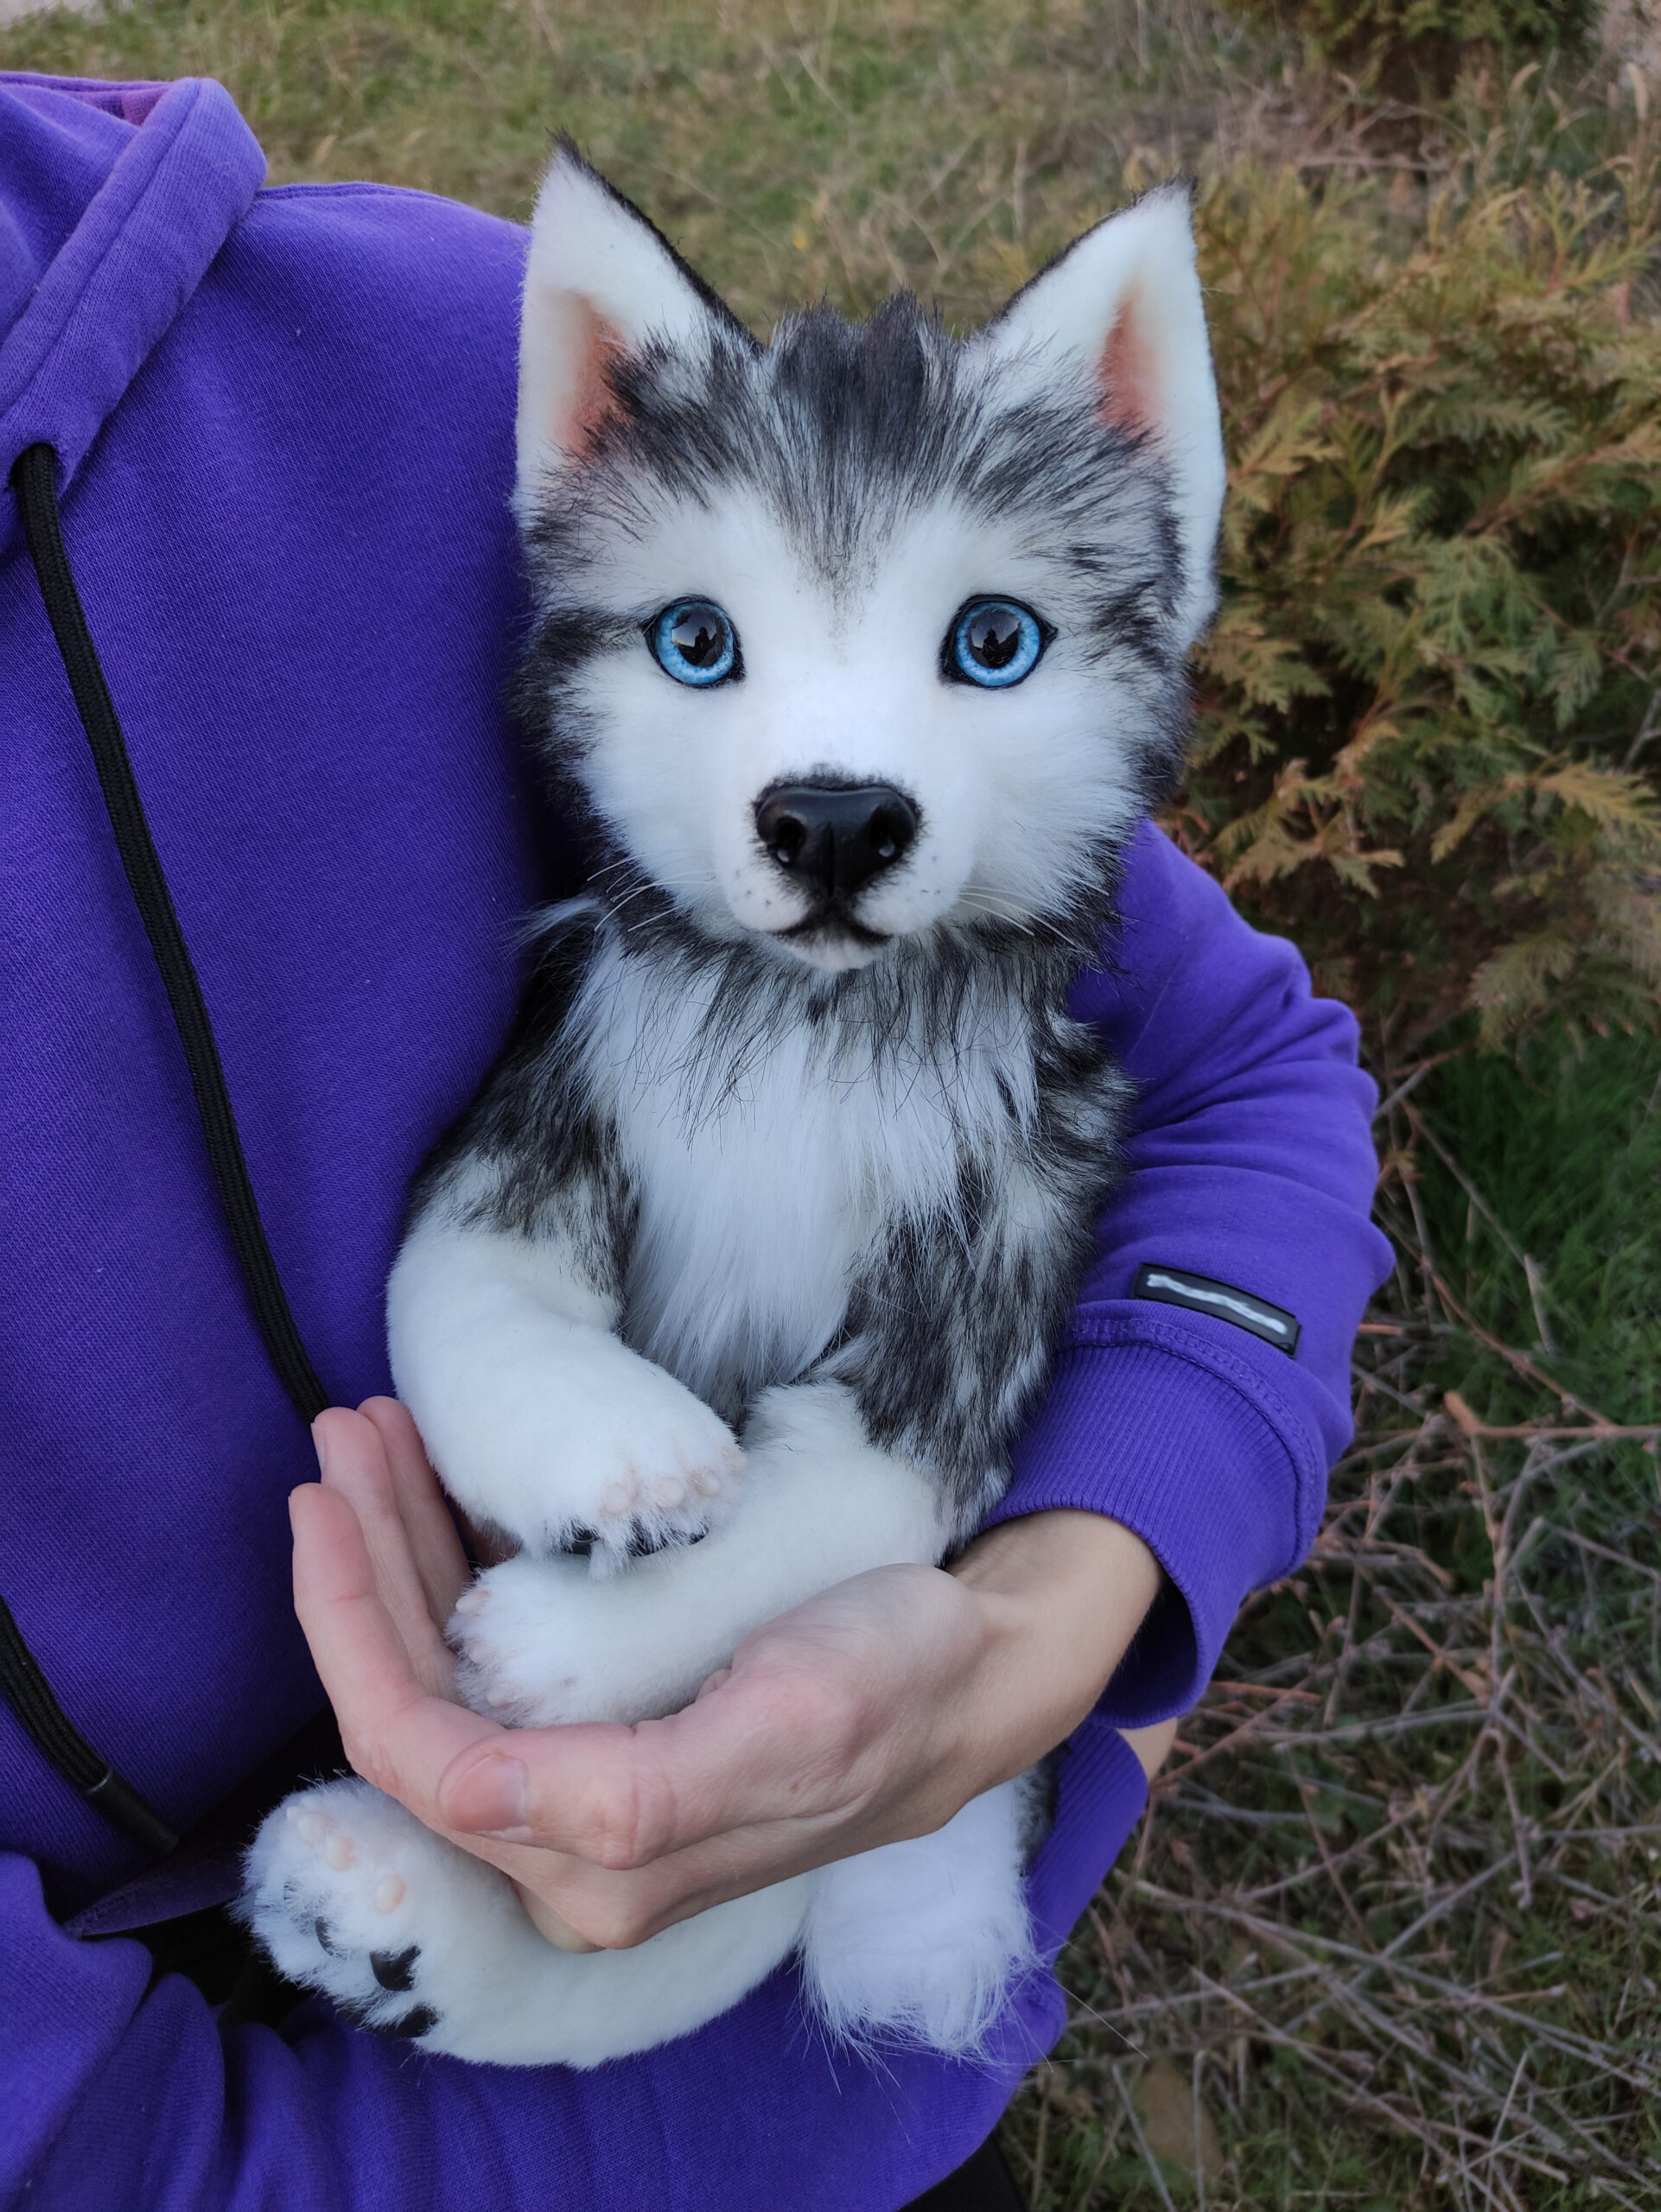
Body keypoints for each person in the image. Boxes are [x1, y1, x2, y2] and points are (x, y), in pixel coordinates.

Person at [0, 69, 1391, 2211]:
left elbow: (1242, 1079)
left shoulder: (384, 360)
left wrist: (1035, 1643)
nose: (829, 772)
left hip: (840, 1962)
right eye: (711, 644)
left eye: (984, 644)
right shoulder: (619, 998)